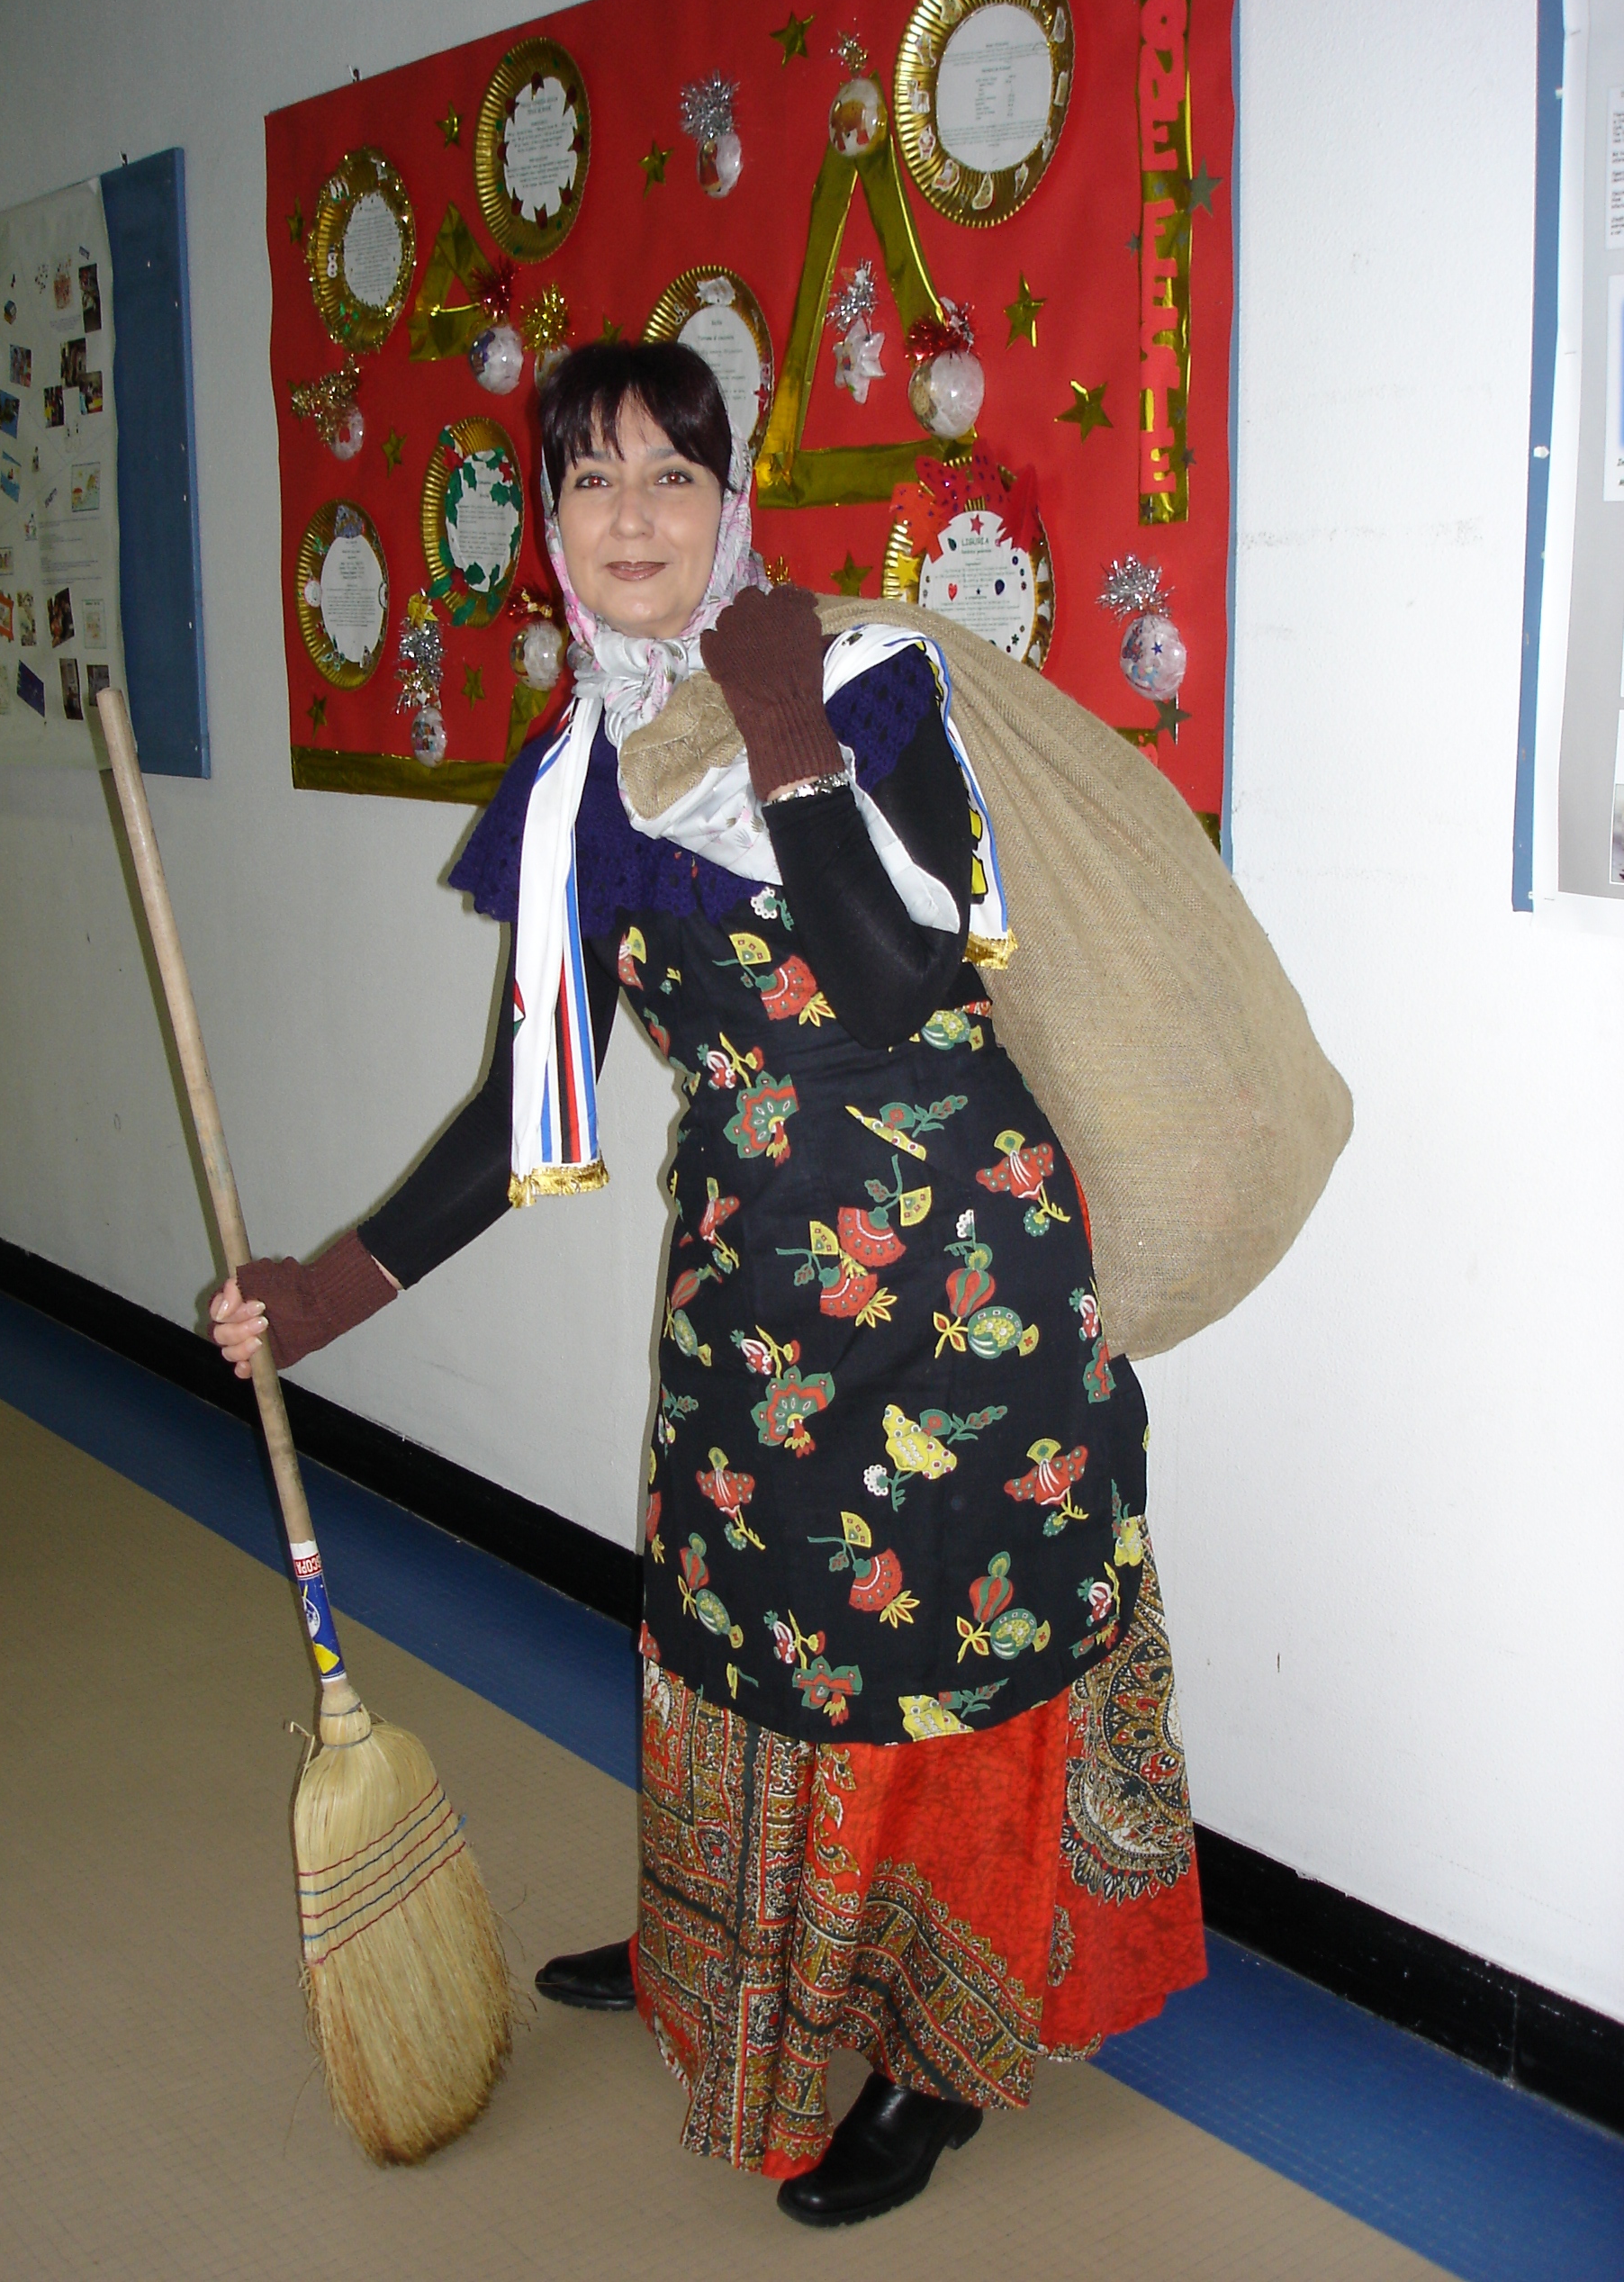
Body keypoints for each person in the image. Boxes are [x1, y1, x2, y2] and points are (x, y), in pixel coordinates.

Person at [212, 344, 1205, 2225]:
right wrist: (326, 1292)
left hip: (968, 1283)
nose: (635, 518)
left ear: (731, 500)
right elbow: (534, 1108)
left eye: (673, 476)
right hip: (753, 1294)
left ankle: (935, 2057)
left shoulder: (868, 685)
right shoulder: (579, 781)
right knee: (743, 1640)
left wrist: (787, 737)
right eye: (590, 483)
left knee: (935, 1652)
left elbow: (901, 984)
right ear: (553, 533)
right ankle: (731, 1962)